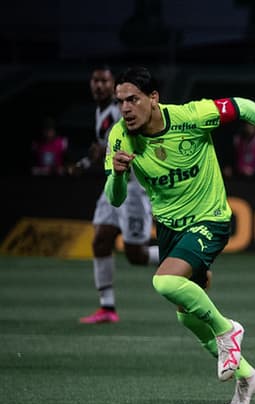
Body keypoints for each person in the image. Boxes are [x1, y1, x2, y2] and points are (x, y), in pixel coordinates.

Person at [104, 66, 255, 404]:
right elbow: (114, 198)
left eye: (133, 99)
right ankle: (248, 376)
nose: (126, 108)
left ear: (153, 98)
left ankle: (228, 331)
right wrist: (117, 174)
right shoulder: (119, 137)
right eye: (120, 102)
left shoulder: (193, 116)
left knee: (164, 281)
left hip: (210, 219)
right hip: (171, 230)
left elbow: (244, 106)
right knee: (186, 315)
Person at [78, 65, 160, 324]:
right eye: (95, 80)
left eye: (103, 80)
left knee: (136, 255)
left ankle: (186, 258)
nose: (98, 85)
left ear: (113, 84)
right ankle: (107, 307)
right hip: (114, 182)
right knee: (100, 239)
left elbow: (131, 137)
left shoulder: (121, 108)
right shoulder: (102, 110)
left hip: (134, 186)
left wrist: (101, 151)